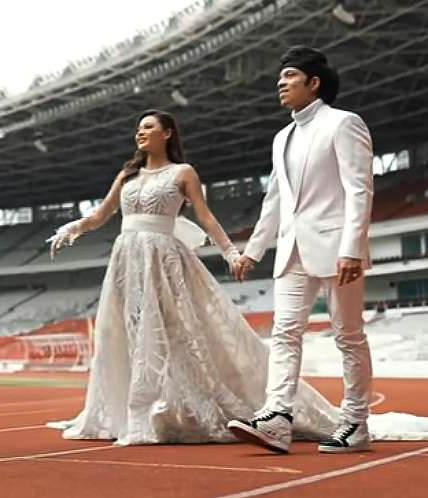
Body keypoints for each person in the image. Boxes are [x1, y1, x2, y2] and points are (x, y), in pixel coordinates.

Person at [46, 106, 428, 448]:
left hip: (164, 259)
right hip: (126, 260)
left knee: (175, 334)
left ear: (167, 133)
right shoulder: (127, 175)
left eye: (148, 127)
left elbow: (206, 217)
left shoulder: (183, 172)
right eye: (138, 129)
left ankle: (176, 412)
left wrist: (232, 252)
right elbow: (102, 215)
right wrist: (73, 229)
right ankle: (134, 415)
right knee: (124, 334)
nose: (140, 133)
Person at [226, 46, 374, 454]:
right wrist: (253, 251)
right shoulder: (282, 138)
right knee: (284, 333)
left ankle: (356, 422)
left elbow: (359, 189)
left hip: (336, 248)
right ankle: (276, 417)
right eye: (281, 76)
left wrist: (352, 248)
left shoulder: (343, 123)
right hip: (292, 250)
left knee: (348, 336)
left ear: (314, 83)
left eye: (290, 75)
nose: (281, 82)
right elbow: (275, 199)